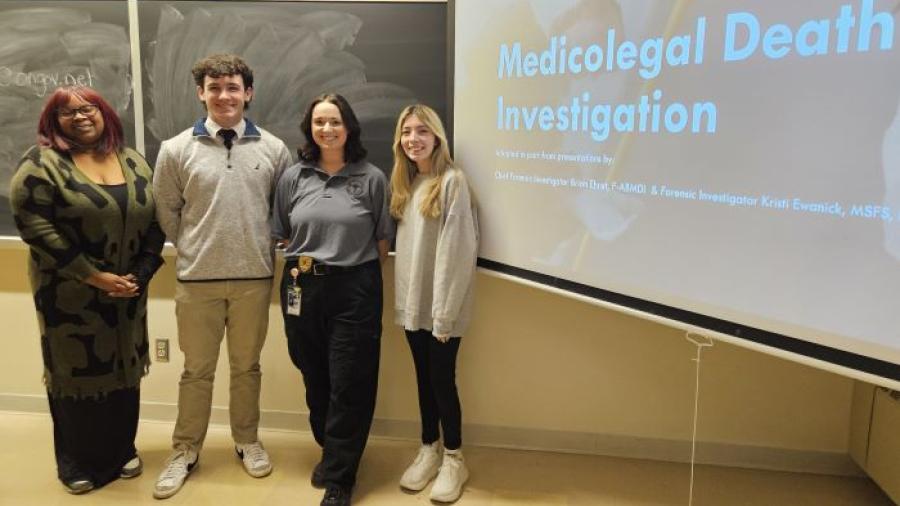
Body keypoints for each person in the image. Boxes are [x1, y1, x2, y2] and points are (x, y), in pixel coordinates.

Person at [9, 86, 165, 494]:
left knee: (125, 368)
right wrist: (92, 276)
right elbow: (36, 227)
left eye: (88, 108)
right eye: (66, 112)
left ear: (105, 113)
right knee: (75, 373)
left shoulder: (132, 160)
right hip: (69, 295)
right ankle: (76, 462)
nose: (79, 116)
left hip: (127, 293)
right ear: (52, 121)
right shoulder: (42, 164)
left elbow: (155, 220)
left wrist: (142, 272)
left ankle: (122, 449)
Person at [151, 54, 293, 499]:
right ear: (201, 94)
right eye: (214, 88)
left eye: (232, 87)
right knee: (196, 371)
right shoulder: (175, 149)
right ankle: (185, 449)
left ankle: (246, 440)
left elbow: (282, 212)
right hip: (197, 282)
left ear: (247, 93)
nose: (224, 96)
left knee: (246, 367)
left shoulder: (274, 149)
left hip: (254, 279)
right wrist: (198, 249)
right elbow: (167, 213)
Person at [272, 93, 392, 506]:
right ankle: (333, 450)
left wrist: (348, 270)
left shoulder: (372, 177)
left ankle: (341, 476)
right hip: (300, 284)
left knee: (349, 380)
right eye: (319, 122)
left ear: (349, 127)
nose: (327, 129)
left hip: (354, 286)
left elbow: (381, 241)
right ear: (310, 128)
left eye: (335, 121)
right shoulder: (293, 177)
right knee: (314, 375)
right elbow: (284, 233)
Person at [389, 104, 478, 503]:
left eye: (422, 131)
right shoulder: (407, 185)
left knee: (442, 381)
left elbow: (457, 255)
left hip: (443, 310)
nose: (414, 139)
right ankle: (429, 447)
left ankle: (455, 457)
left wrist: (443, 315)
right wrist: (409, 309)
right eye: (407, 132)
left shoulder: (452, 182)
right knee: (423, 380)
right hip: (413, 307)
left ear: (438, 137)